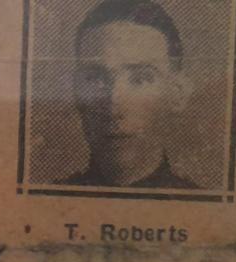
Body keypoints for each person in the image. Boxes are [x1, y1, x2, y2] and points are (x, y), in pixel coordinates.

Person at [57, 0, 197, 189]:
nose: (113, 106)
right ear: (74, 91)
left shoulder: (209, 215)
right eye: (95, 79)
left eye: (139, 79)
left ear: (176, 94)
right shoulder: (42, 203)